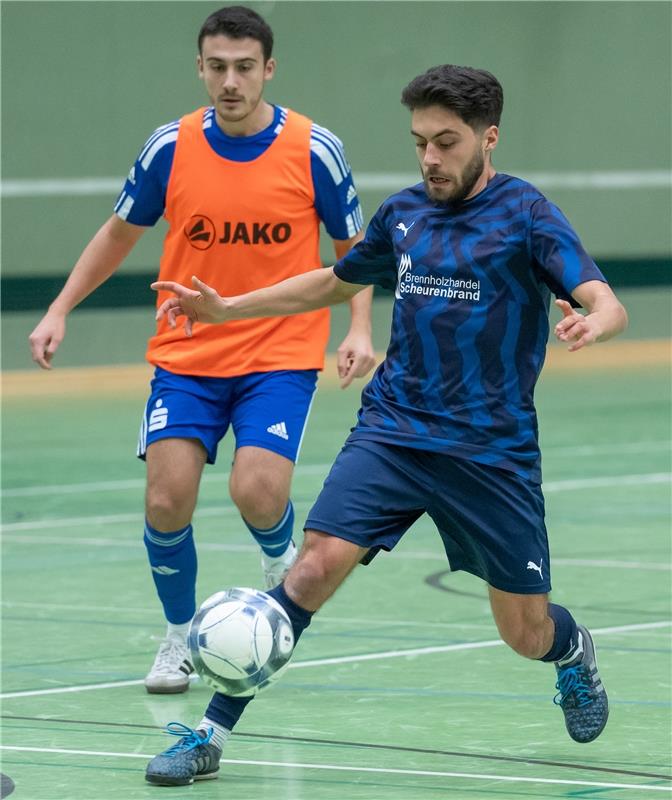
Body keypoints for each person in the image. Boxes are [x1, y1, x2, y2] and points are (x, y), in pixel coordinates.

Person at [144, 64, 628, 786]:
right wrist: (227, 308)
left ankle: (571, 652)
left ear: (488, 138)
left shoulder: (527, 215)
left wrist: (598, 321)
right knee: (307, 573)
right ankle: (210, 734)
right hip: (394, 432)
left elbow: (603, 297)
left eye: (447, 141)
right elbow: (336, 280)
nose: (431, 158)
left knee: (523, 632)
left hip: (489, 452)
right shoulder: (404, 214)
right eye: (419, 142)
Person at [28, 6, 375, 695]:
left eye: (244, 67)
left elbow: (356, 253)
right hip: (187, 352)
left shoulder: (313, 147)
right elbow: (120, 233)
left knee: (257, 488)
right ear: (200, 68)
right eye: (217, 67)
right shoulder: (171, 146)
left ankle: (280, 569)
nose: (230, 81)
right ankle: (181, 636)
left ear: (268, 69)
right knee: (166, 500)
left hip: (279, 347)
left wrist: (358, 329)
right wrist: (60, 307)